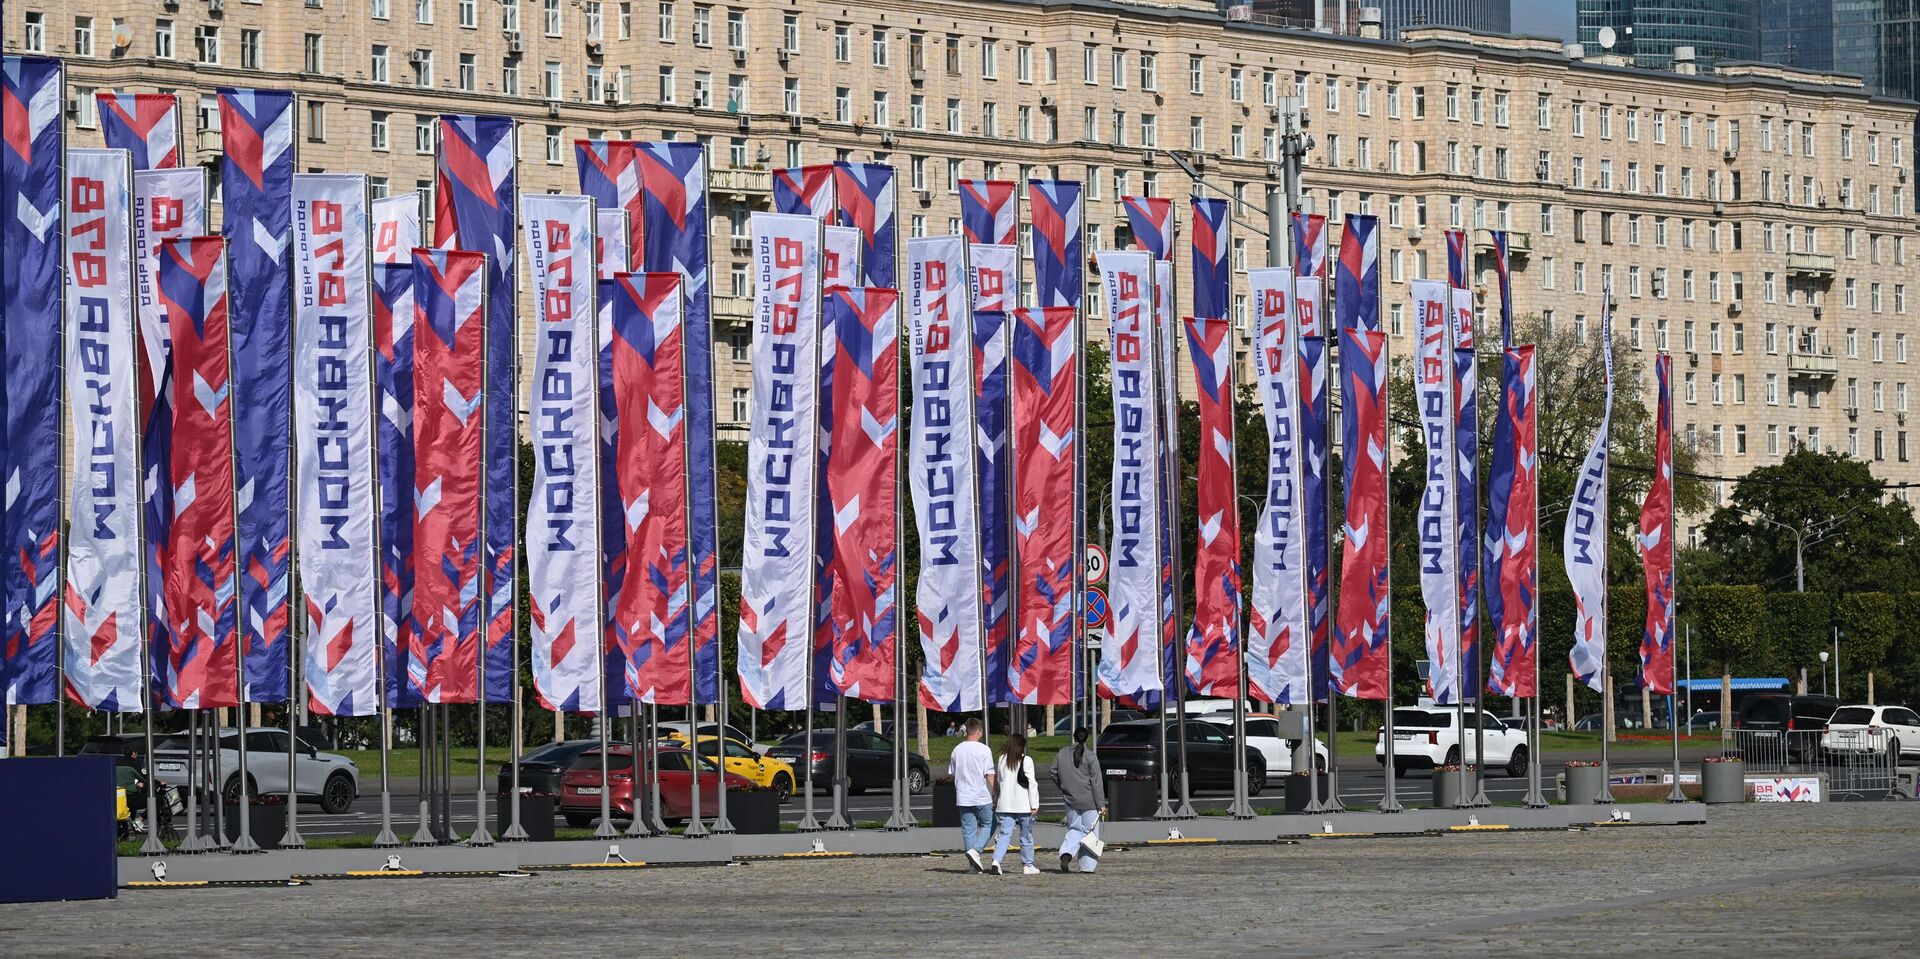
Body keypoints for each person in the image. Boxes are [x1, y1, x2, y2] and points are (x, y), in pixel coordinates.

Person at [1050, 726, 1106, 873]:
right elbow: (1096, 782)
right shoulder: (1091, 756)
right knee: (1090, 833)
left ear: (1074, 737)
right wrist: (1101, 804)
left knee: (1075, 828)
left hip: (1070, 799)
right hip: (1090, 801)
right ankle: (1087, 866)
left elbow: (1053, 771)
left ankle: (1067, 853)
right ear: (1087, 738)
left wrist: (1063, 786)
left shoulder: (1062, 753)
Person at [948, 717, 996, 873]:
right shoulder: (984, 750)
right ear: (979, 731)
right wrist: (995, 793)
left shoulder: (957, 750)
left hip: (963, 796)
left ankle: (973, 866)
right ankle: (976, 851)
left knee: (968, 830)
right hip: (981, 795)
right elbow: (989, 775)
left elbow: (953, 774)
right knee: (990, 823)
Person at [989, 732, 1042, 875]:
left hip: (1005, 803)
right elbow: (1032, 783)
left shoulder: (1001, 759)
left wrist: (996, 798)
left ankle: (996, 860)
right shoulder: (1027, 760)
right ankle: (1028, 864)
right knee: (1026, 835)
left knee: (1005, 834)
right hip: (1023, 804)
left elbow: (1000, 781)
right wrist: (1035, 804)